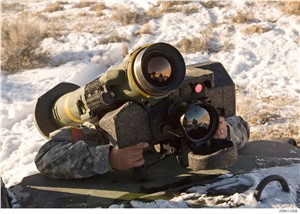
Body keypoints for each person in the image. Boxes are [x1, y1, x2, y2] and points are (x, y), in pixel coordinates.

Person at [35, 115, 249, 179]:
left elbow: (241, 125)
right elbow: (46, 157)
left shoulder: (181, 111)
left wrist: (226, 132)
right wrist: (109, 158)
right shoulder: (98, 127)